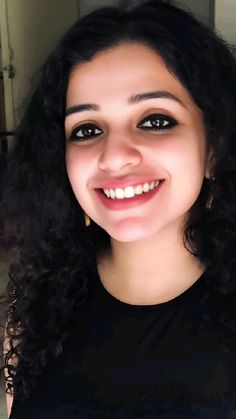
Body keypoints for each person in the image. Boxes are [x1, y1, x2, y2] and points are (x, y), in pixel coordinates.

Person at [1, 0, 236, 417]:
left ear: (214, 149)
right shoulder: (33, 311)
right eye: (87, 129)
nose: (113, 156)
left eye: (156, 120)